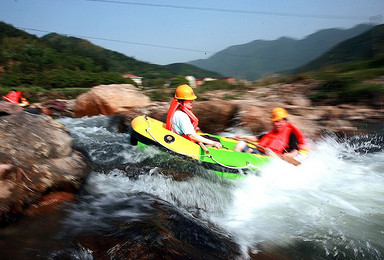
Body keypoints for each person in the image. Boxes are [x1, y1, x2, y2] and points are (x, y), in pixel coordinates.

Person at [233, 107, 309, 159]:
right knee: (241, 144)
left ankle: (246, 157)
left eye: (278, 121)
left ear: (284, 121)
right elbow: (257, 138)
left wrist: (289, 155)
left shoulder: (290, 134)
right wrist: (243, 137)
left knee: (249, 151)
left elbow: (295, 151)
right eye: (274, 122)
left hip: (270, 157)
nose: (276, 124)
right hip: (260, 152)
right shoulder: (272, 132)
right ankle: (233, 161)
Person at [165, 84, 222, 149]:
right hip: (184, 143)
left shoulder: (176, 111)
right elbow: (192, 136)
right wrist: (213, 143)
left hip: (180, 138)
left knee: (212, 138)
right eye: (188, 100)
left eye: (192, 99)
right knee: (216, 141)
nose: (192, 101)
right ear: (181, 101)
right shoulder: (182, 116)